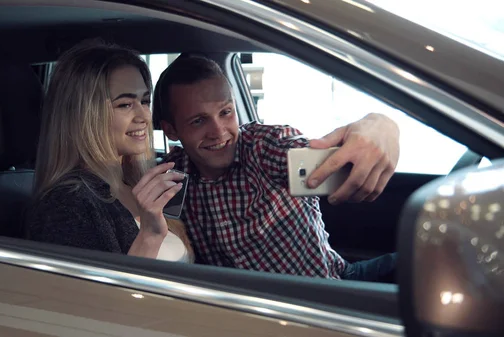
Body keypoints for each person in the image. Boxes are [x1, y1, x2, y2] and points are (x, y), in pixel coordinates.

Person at [152, 55, 399, 280]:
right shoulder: (174, 177)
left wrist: (381, 126)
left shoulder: (264, 148)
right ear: (171, 130)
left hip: (331, 286)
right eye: (198, 121)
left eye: (226, 112)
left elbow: (347, 160)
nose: (219, 131)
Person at [24, 40, 193, 263]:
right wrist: (150, 235)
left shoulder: (135, 183)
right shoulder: (66, 205)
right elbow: (96, 297)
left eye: (144, 101)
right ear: (84, 115)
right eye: (125, 104)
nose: (143, 116)